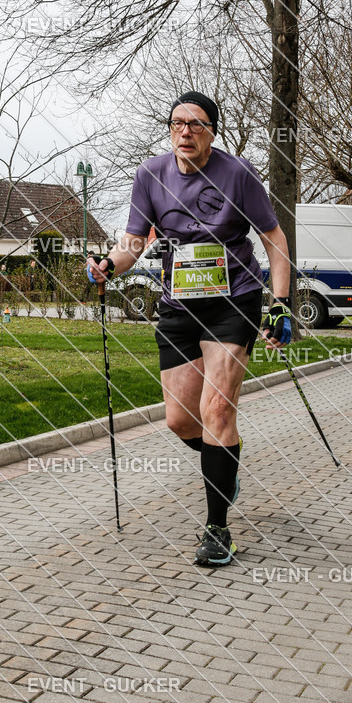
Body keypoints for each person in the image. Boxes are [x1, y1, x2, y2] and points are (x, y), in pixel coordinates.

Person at [87, 91, 291, 566]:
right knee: (181, 419)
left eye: (196, 124)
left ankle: (217, 528)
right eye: (178, 122)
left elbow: (274, 238)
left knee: (216, 410)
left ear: (212, 132)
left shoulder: (236, 174)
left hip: (233, 300)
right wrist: (108, 266)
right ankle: (224, 463)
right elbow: (134, 242)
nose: (185, 131)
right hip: (179, 304)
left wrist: (280, 305)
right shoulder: (149, 175)